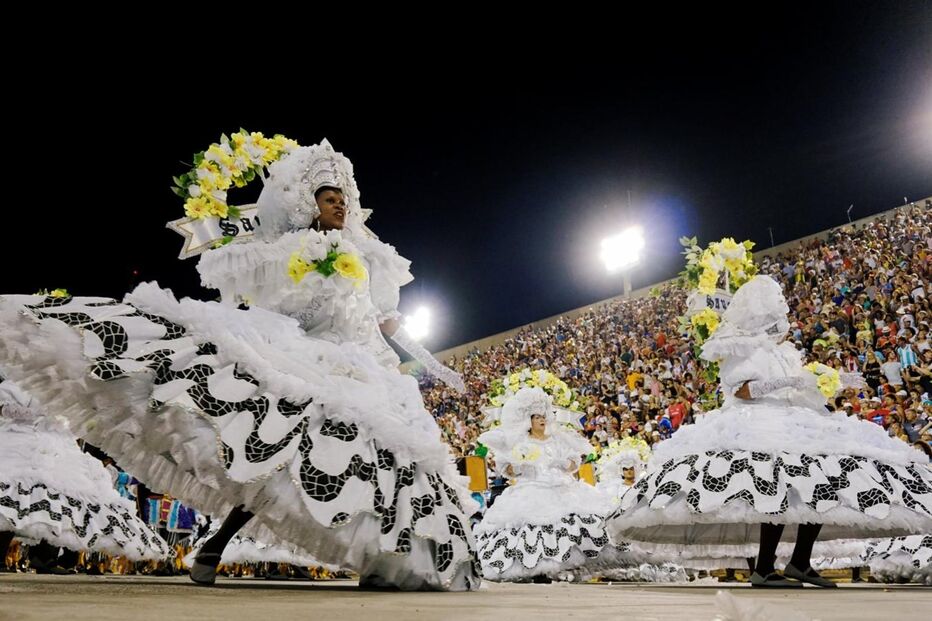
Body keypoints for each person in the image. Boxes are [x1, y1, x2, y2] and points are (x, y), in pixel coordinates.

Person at [0, 138, 479, 591]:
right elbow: (281, 308)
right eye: (329, 197)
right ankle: (215, 546)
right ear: (310, 204)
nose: (339, 205)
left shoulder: (374, 257)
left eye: (342, 198)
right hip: (310, 357)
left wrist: (433, 367)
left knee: (381, 468)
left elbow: (386, 321)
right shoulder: (289, 250)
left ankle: (384, 563)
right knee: (277, 453)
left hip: (368, 370)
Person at [606, 276, 932, 588]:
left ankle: (799, 561)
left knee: (817, 485)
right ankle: (764, 567)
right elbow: (743, 391)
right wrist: (787, 382)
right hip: (756, 423)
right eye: (775, 312)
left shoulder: (784, 351)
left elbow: (805, 382)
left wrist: (836, 381)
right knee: (773, 494)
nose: (781, 317)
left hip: (794, 420)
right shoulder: (741, 348)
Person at [0, 379, 168, 568]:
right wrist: (43, 414)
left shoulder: (61, 386)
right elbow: (4, 410)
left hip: (58, 447)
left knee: (61, 502)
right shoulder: (12, 385)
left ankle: (45, 557)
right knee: (10, 500)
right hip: (20, 444)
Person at [475, 387, 617, 582]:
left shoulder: (558, 439)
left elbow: (574, 463)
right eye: (536, 417)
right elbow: (505, 467)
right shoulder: (519, 441)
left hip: (562, 487)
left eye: (543, 416)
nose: (541, 420)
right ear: (529, 420)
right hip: (530, 488)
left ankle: (572, 565)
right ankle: (538, 569)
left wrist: (563, 464)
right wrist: (518, 468)